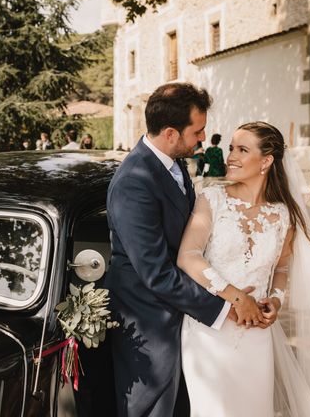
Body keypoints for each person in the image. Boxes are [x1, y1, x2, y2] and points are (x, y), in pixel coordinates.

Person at [177, 121, 310, 416]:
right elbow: (188, 256)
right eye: (231, 148)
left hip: (256, 333)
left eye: (242, 149)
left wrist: (275, 300)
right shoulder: (211, 199)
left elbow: (281, 269)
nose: (230, 157)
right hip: (209, 330)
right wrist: (238, 298)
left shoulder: (283, 214)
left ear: (266, 160)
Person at [105, 83, 230, 416]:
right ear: (172, 133)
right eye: (198, 131)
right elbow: (156, 272)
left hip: (178, 313)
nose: (203, 138)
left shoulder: (173, 163)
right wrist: (221, 308)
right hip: (148, 323)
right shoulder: (135, 180)